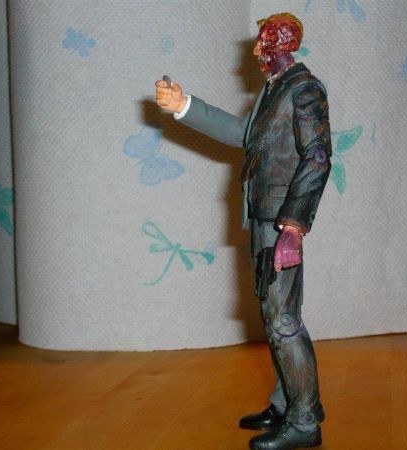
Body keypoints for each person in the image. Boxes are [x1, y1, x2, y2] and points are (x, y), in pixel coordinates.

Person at [155, 12, 331, 450]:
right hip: (263, 217)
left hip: (280, 221)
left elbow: (317, 157)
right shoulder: (274, 89)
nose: (255, 50)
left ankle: (304, 421)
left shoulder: (304, 89)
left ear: (283, 45)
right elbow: (243, 135)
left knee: (283, 320)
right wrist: (183, 106)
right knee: (274, 316)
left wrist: (293, 226)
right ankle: (286, 403)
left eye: (263, 43)